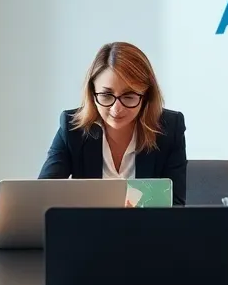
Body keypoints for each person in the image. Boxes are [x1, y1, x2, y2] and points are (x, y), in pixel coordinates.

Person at [38, 41, 188, 206]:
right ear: (92, 92)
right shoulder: (72, 128)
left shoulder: (169, 129)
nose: (117, 109)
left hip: (148, 231)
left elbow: (176, 205)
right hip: (88, 230)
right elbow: (43, 196)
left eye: (129, 96)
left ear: (146, 96)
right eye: (106, 95)